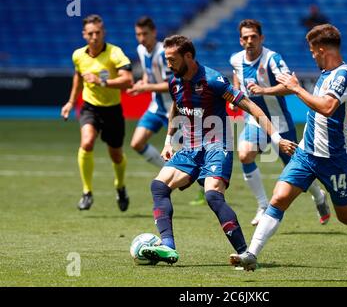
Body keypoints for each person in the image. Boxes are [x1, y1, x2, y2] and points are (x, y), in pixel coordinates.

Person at [230, 24, 347, 271]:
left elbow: (326, 107)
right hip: (306, 153)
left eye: (313, 51)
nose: (312, 56)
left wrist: (296, 88)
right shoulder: (328, 74)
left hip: (334, 159)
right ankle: (251, 254)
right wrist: (343, 102)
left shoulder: (343, 75)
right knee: (279, 197)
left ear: (322, 50)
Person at [137, 35, 298, 265]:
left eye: (172, 60)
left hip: (216, 146)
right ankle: (168, 246)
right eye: (166, 60)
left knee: (213, 196)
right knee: (159, 186)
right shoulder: (174, 82)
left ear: (188, 57)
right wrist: (168, 140)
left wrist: (275, 137)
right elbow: (175, 107)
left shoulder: (213, 80)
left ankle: (246, 254)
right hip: (190, 148)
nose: (168, 65)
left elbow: (251, 106)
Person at [229, 19, 330, 226]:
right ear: (240, 41)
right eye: (245, 37)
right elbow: (236, 76)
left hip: (279, 123)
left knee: (297, 169)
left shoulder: (273, 59)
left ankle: (318, 196)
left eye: (253, 37)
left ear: (261, 38)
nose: (249, 41)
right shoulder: (236, 59)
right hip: (255, 121)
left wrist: (264, 90)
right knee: (245, 154)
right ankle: (263, 205)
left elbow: (291, 86)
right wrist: (236, 97)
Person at [127, 16, 206, 206]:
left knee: (192, 152)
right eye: (138, 34)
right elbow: (148, 74)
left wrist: (145, 88)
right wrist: (143, 83)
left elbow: (171, 85)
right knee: (136, 143)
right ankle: (169, 169)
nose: (141, 38)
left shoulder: (164, 54)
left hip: (175, 108)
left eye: (145, 34)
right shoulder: (140, 50)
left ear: (154, 32)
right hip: (156, 107)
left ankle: (205, 189)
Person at [61, 14, 133, 211]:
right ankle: (87, 192)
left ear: (103, 33)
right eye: (90, 33)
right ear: (84, 35)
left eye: (98, 32)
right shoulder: (78, 55)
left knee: (116, 155)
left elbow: (128, 80)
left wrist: (102, 81)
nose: (95, 36)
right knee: (86, 142)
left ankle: (120, 186)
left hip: (112, 110)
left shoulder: (115, 53)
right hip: (89, 107)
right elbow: (78, 78)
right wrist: (70, 102)